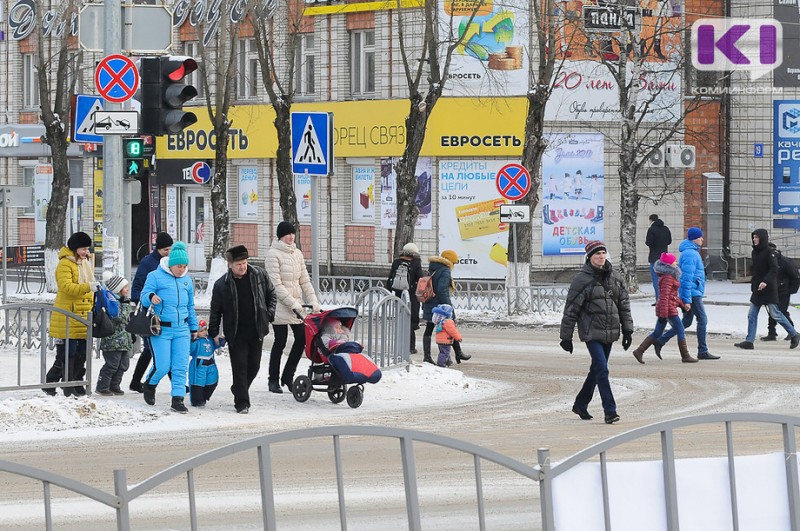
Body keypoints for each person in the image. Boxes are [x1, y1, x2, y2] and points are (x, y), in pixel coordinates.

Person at [560, 240, 633, 424]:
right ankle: (610, 410)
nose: (601, 257)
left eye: (603, 253)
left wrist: (628, 330)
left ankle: (580, 404)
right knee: (602, 368)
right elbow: (571, 309)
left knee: (597, 370)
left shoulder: (615, 277)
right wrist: (566, 337)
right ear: (589, 257)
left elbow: (624, 305)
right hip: (591, 331)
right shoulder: (581, 280)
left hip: (610, 331)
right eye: (596, 254)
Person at [209, 245, 277, 414]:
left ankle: (239, 389)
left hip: (256, 330)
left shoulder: (259, 275)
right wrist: (214, 332)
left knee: (254, 366)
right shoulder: (221, 285)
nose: (243, 266)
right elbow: (215, 310)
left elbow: (272, 294)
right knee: (239, 368)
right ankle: (242, 403)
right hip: (236, 332)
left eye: (245, 262)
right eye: (239, 264)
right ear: (230, 264)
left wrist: (268, 314)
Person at [140, 241, 199, 413]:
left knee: (180, 366)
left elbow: (190, 307)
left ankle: (178, 399)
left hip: (182, 329)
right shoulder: (155, 276)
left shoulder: (187, 281)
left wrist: (193, 328)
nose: (182, 269)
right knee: (163, 365)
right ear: (171, 264)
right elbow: (143, 296)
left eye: (185, 266)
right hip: (161, 329)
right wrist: (151, 297)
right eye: (179, 266)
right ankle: (150, 385)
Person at [265, 221, 321, 394]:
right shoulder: (273, 254)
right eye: (287, 234)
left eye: (292, 233)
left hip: (296, 306)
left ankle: (288, 376)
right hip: (280, 305)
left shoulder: (297, 253)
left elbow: (304, 280)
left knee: (302, 339)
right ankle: (273, 380)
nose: (290, 237)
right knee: (280, 341)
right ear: (280, 236)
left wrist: (313, 301)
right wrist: (294, 304)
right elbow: (276, 285)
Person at [45, 231, 99, 397]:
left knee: (82, 353)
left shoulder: (85, 263)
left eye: (86, 248)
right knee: (67, 353)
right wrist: (88, 287)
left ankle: (77, 381)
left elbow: (89, 284)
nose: (85, 252)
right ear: (75, 248)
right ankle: (56, 383)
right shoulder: (65, 264)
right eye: (83, 248)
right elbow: (66, 287)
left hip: (83, 315)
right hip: (68, 314)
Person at [653, 227, 718, 360]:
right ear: (694, 238)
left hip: (693, 291)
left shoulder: (692, 252)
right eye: (700, 237)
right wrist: (687, 299)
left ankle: (661, 341)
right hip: (693, 293)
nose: (702, 239)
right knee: (702, 319)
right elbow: (687, 278)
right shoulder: (690, 254)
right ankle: (702, 350)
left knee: (686, 322)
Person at [734, 229, 800, 350]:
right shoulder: (755, 252)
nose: (754, 239)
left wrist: (765, 281)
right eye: (753, 237)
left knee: (776, 314)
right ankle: (749, 341)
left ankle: (794, 334)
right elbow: (757, 271)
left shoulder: (770, 252)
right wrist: (754, 285)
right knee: (752, 315)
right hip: (758, 290)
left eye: (756, 237)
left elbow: (774, 269)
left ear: (762, 238)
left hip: (769, 289)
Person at [631, 253, 697, 364]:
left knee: (657, 332)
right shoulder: (668, 277)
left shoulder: (669, 276)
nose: (676, 263)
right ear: (669, 265)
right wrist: (664, 315)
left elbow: (672, 296)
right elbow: (664, 297)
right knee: (680, 329)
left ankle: (639, 351)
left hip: (666, 308)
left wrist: (681, 305)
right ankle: (685, 355)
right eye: (674, 261)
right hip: (667, 309)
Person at [128, 232, 173, 393]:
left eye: (170, 249)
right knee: (152, 349)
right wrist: (146, 299)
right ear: (158, 249)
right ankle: (136, 381)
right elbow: (138, 286)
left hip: (166, 312)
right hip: (151, 313)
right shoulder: (148, 262)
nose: (169, 253)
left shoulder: (170, 262)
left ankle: (136, 381)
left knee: (160, 349)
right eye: (165, 250)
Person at [422, 250, 470, 365]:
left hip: (429, 302)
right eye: (454, 262)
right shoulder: (444, 270)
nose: (454, 265)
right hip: (440, 306)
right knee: (449, 328)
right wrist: (449, 308)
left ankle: (427, 356)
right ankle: (456, 353)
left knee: (429, 330)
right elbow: (442, 290)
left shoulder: (432, 268)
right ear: (449, 261)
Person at [95, 272, 134, 395]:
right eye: (125, 288)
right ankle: (102, 386)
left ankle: (115, 385)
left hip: (124, 340)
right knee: (112, 365)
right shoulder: (112, 303)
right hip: (112, 341)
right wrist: (126, 306)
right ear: (117, 290)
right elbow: (121, 318)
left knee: (123, 365)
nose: (127, 290)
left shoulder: (123, 302)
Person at [387, 242, 423, 353]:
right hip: (411, 296)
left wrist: (388, 292)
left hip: (399, 295)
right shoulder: (416, 263)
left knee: (401, 320)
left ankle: (400, 345)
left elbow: (390, 279)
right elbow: (420, 279)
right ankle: (411, 347)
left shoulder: (397, 262)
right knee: (411, 321)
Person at [762, 243, 800, 341]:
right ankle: (772, 333)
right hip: (772, 290)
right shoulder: (767, 262)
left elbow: (795, 276)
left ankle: (792, 332)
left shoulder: (784, 262)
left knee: (781, 312)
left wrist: (792, 289)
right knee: (771, 311)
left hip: (783, 291)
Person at [189, 320, 220, 408]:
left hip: (211, 363)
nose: (204, 332)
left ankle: (205, 396)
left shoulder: (209, 339)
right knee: (198, 382)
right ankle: (197, 400)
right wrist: (193, 340)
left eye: (205, 330)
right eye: (201, 331)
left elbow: (216, 344)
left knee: (212, 380)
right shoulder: (196, 341)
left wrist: (220, 341)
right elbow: (191, 351)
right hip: (199, 365)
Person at [645, 214, 672, 303]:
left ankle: (659, 300)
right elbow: (669, 241)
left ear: (651, 220)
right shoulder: (666, 229)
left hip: (654, 257)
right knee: (665, 280)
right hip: (665, 257)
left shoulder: (651, 229)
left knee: (656, 280)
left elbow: (648, 242)